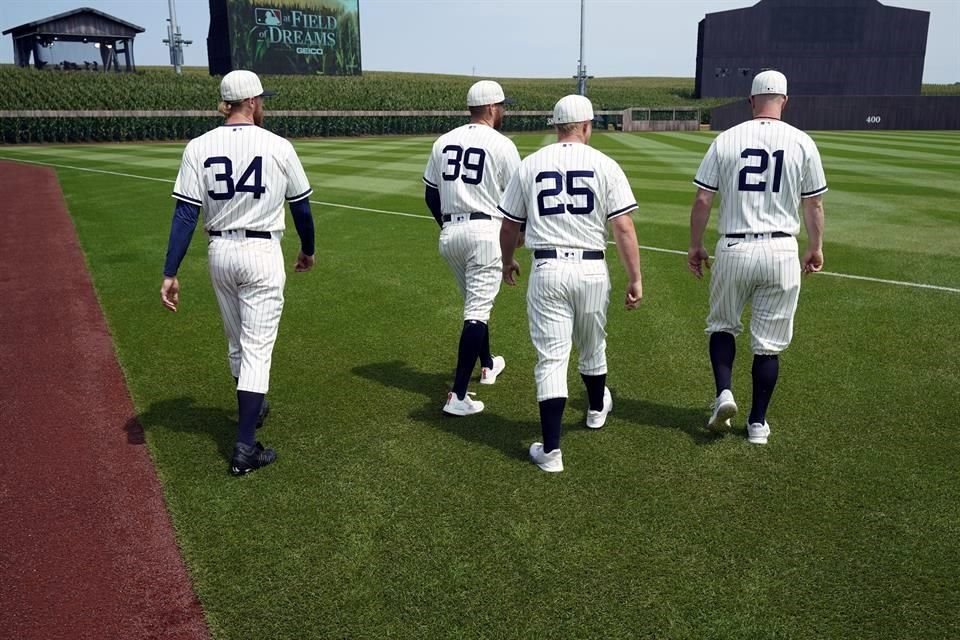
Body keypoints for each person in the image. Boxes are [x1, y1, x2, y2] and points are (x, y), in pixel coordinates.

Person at [160, 69, 316, 475]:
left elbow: (185, 213)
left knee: (237, 342)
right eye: (261, 99)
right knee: (257, 349)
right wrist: (308, 249)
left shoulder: (198, 146)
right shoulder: (278, 145)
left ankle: (254, 407)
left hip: (220, 252)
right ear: (250, 102)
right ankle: (245, 447)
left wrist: (170, 271)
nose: (262, 105)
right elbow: (301, 207)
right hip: (262, 252)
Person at [499, 94, 643, 473]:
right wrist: (635, 277)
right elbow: (623, 226)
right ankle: (595, 409)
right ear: (586, 126)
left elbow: (510, 225)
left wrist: (507, 260)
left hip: (547, 268)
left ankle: (551, 451)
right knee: (593, 344)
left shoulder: (531, 163)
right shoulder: (605, 164)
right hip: (591, 267)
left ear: (556, 126)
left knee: (552, 357)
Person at [687, 69, 827, 445]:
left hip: (734, 247)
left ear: (751, 101)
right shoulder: (802, 142)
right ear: (785, 100)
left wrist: (696, 244)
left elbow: (703, 199)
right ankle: (757, 424)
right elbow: (814, 204)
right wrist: (815, 247)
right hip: (782, 250)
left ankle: (724, 393)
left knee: (722, 326)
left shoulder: (726, 139)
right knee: (768, 344)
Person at [423, 80, 522, 417]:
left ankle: (488, 364)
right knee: (477, 310)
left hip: (451, 234)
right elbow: (518, 199)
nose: (503, 111)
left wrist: (447, 226)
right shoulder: (502, 144)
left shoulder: (443, 141)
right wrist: (517, 238)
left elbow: (431, 194)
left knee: (476, 303)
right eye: (502, 106)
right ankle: (459, 395)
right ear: (492, 108)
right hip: (485, 233)